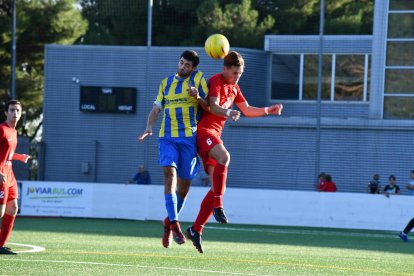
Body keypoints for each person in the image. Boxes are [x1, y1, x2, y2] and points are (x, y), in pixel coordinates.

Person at [185, 51, 283, 253]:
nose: (238, 76)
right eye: (235, 72)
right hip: (204, 133)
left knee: (216, 188)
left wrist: (267, 110)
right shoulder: (217, 81)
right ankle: (218, 207)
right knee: (225, 157)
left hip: (215, 135)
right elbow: (212, 106)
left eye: (240, 73)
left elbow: (246, 109)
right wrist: (229, 112)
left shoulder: (234, 87)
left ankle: (196, 229)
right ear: (225, 69)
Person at [138, 50, 208, 248]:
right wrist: (149, 127)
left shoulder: (200, 79)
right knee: (170, 175)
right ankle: (175, 223)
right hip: (167, 137)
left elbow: (209, 106)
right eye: (181, 63)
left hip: (189, 140)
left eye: (187, 65)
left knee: (184, 188)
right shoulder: (165, 83)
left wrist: (199, 97)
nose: (183, 67)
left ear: (194, 68)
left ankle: (167, 222)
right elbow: (155, 109)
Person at [0, 100, 31, 255]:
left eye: (18, 111)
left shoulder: (14, 132)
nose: (15, 113)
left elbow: (8, 155)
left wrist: (20, 157)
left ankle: (0, 245)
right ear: (6, 113)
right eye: (12, 110)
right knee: (0, 212)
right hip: (1, 174)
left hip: (9, 174)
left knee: (13, 208)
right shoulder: (2, 130)